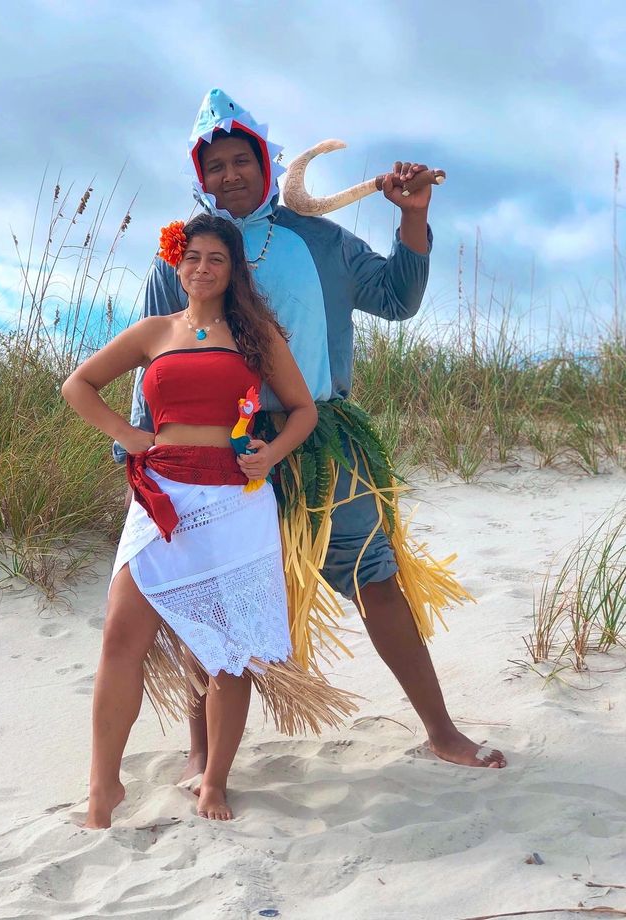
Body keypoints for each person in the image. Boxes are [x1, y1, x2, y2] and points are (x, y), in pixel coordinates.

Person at [115, 88, 507, 779]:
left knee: (373, 578)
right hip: (206, 454)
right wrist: (136, 453)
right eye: (216, 166)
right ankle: (202, 751)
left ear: (266, 161)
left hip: (318, 438)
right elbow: (153, 365)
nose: (230, 175)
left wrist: (412, 218)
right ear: (199, 176)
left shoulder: (318, 240)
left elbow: (396, 297)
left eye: (243, 159)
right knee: (205, 594)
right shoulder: (180, 255)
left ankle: (441, 729)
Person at [63, 213, 357, 828]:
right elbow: (78, 385)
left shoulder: (255, 335)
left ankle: (215, 783)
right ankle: (103, 787)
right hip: (161, 496)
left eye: (216, 259)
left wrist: (271, 453)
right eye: (192, 256)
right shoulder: (153, 331)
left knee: (228, 653)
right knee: (121, 638)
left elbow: (301, 410)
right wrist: (128, 435)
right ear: (178, 262)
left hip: (234, 499)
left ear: (233, 270)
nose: (202, 268)